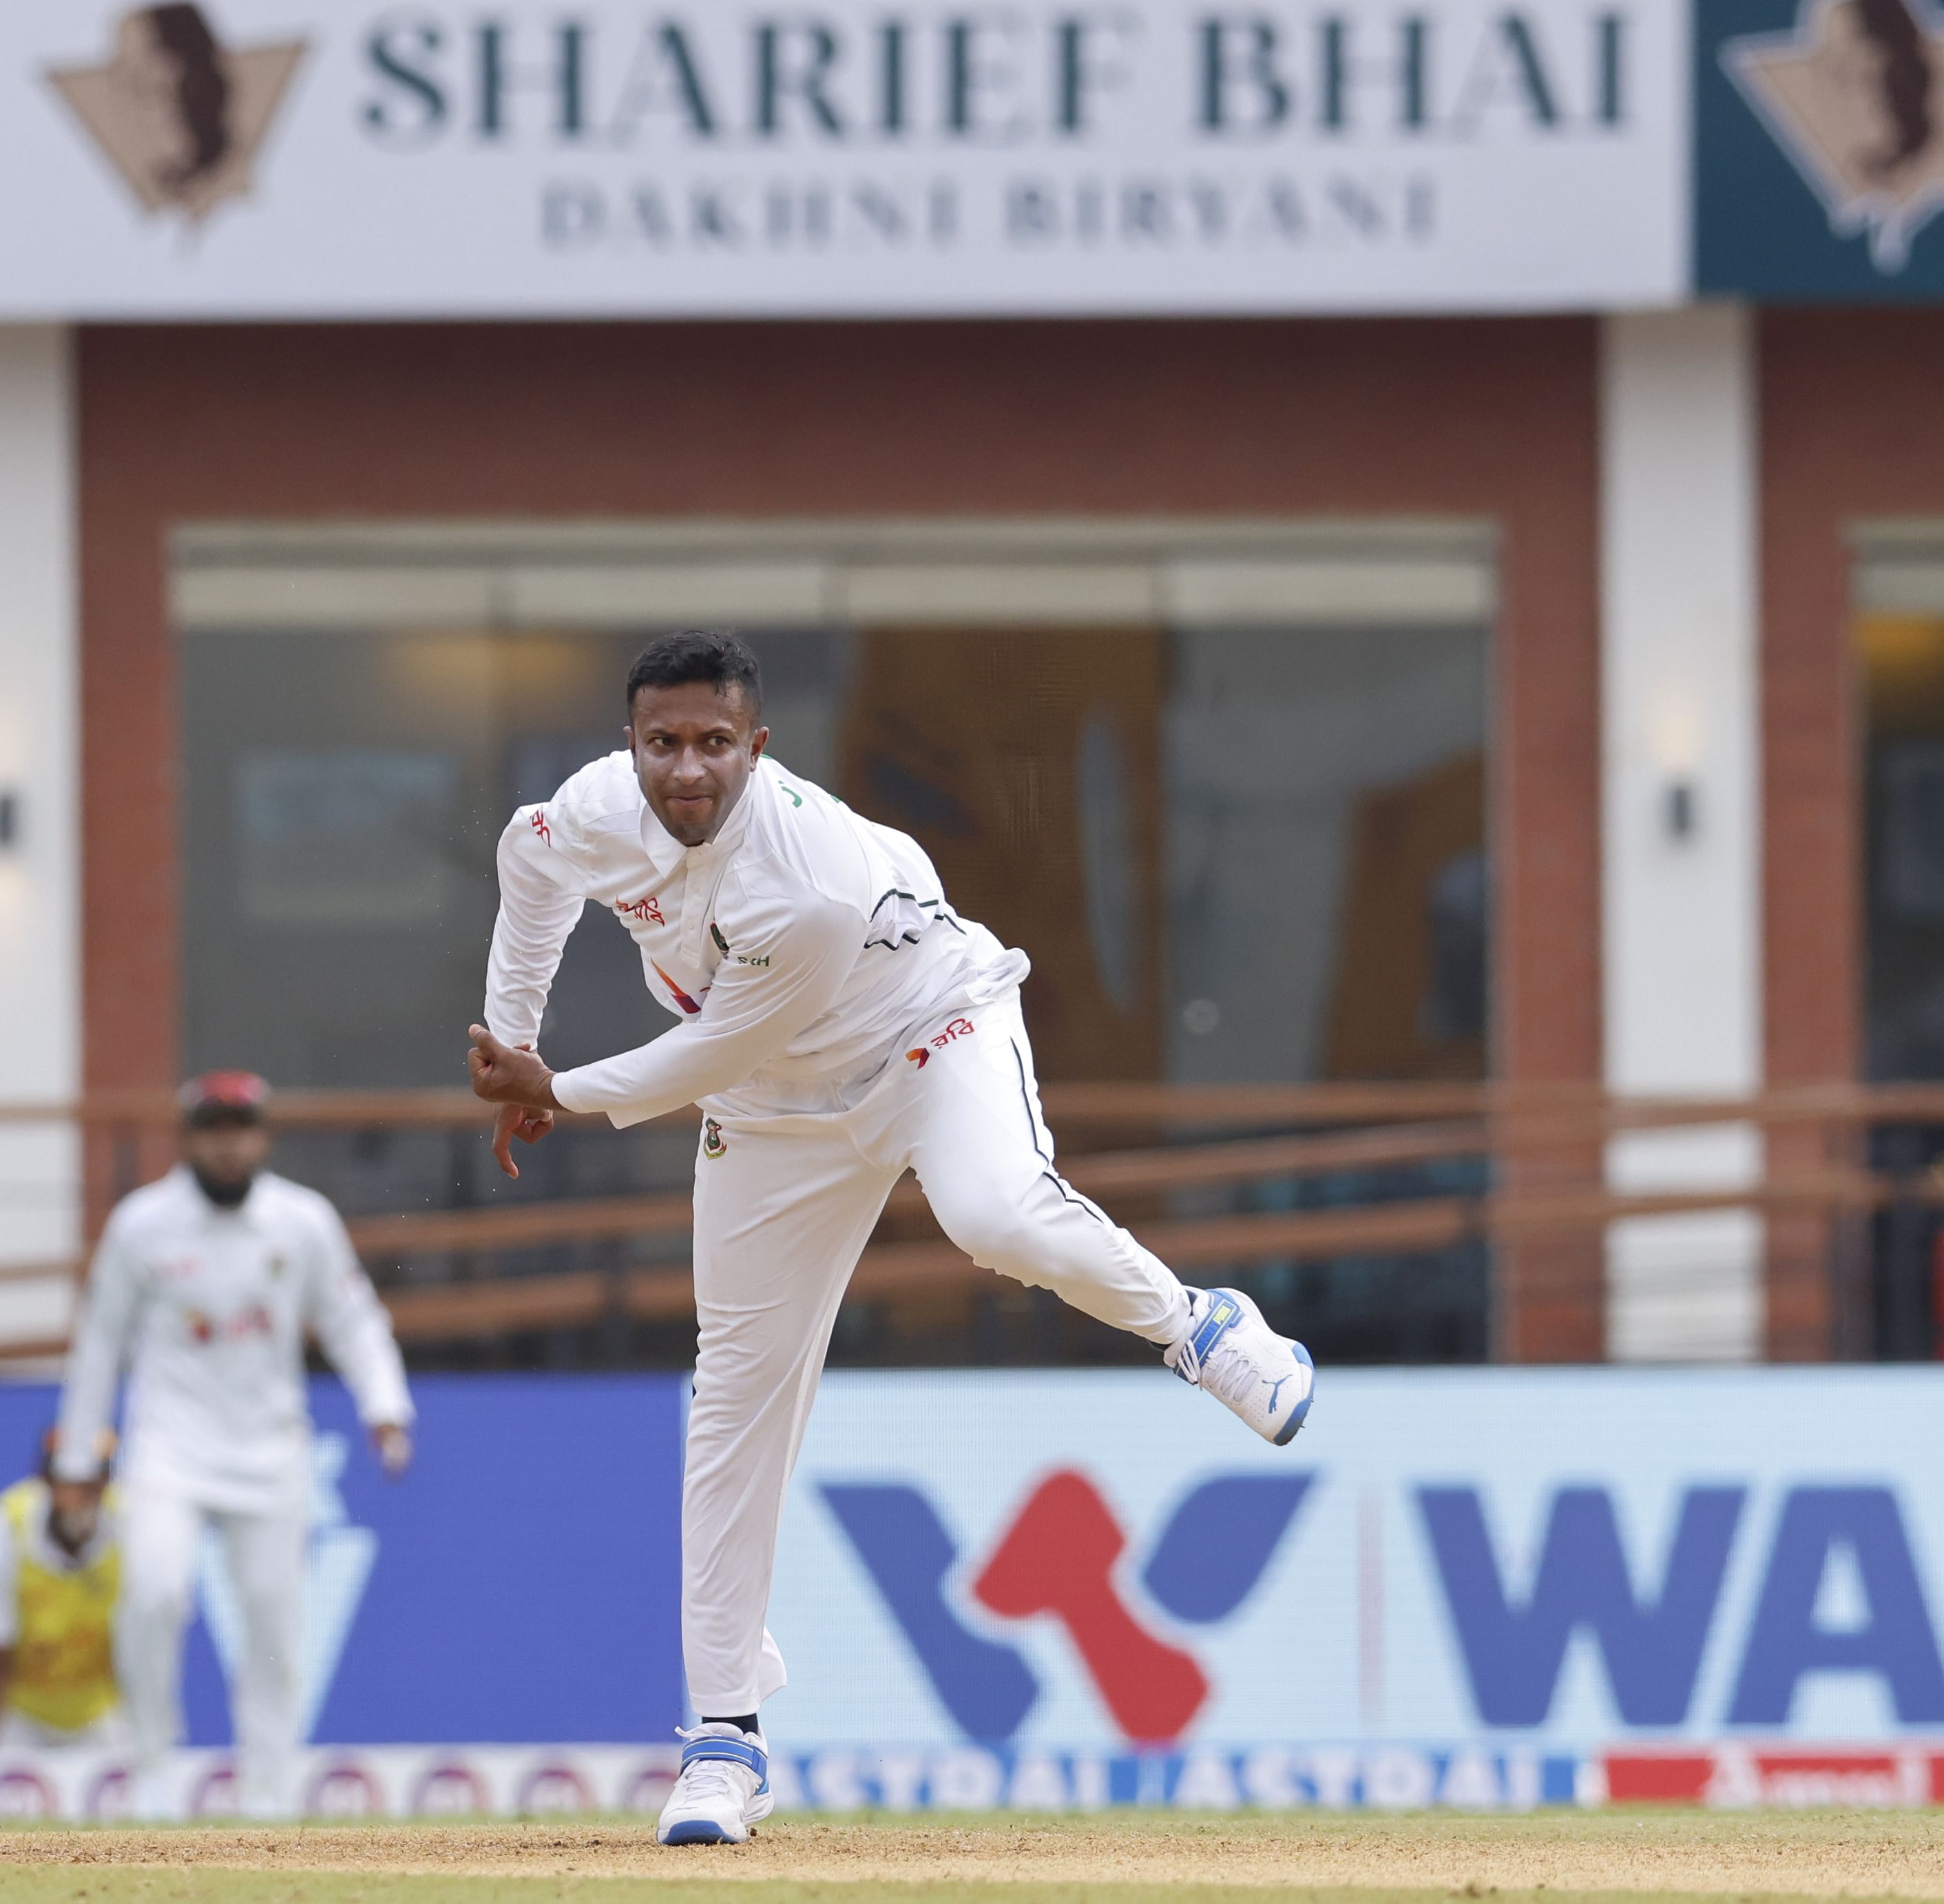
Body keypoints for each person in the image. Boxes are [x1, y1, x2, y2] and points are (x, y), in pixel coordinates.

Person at [466, 629, 1315, 1848]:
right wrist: (511, 1039)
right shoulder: (597, 809)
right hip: (773, 1109)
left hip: (925, 1031)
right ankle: (723, 1744)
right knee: (734, 1397)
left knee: (992, 1213)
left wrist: (558, 1086)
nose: (688, 769)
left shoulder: (806, 879)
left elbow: (710, 1050)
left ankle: (1199, 1325)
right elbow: (527, 862)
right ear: (630, 745)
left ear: (757, 747)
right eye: (664, 744)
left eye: (714, 743)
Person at [52, 1070, 417, 1821]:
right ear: (189, 1138)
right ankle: (151, 1772)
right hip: (169, 1447)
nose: (229, 1146)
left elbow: (351, 1318)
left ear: (263, 1137)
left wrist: (384, 1404)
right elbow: (99, 1344)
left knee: (274, 1625)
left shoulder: (301, 1221)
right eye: (214, 1130)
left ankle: (269, 1792)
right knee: (152, 1594)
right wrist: (79, 1459)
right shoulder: (142, 1225)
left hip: (271, 1450)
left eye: (242, 1129)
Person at [0, 1433, 125, 1755]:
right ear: (46, 1482)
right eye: (72, 1484)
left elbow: (131, 1661)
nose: (83, 1498)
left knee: (143, 1771)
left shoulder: (132, 1531)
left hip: (92, 1712)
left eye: (95, 1483)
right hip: (13, 1709)